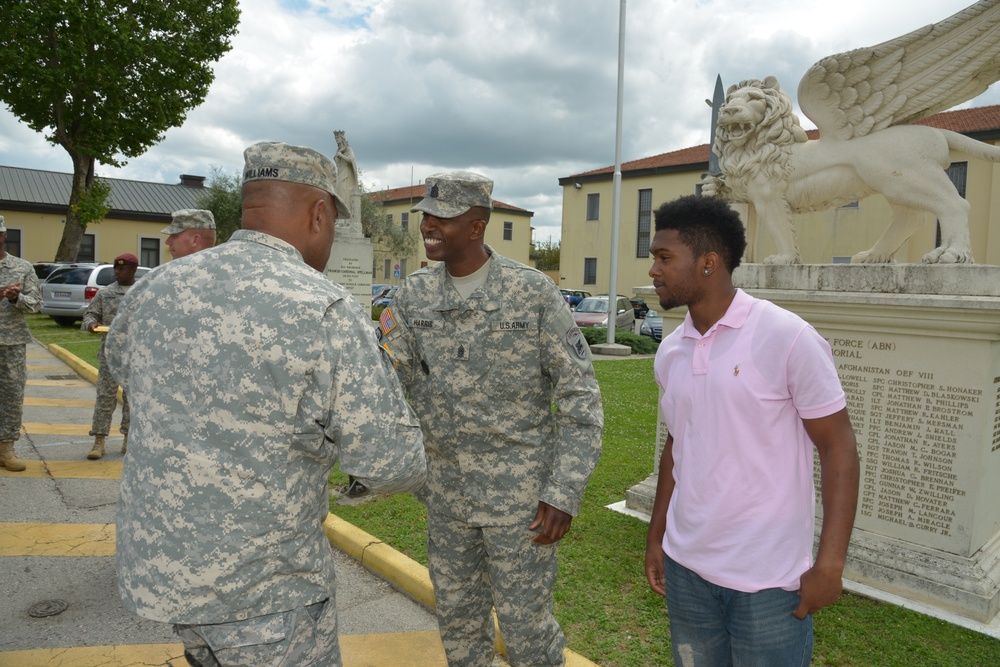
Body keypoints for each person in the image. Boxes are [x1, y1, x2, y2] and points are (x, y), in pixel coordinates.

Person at [105, 141, 426, 667]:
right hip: (267, 593)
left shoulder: (155, 288)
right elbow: (389, 461)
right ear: (320, 213)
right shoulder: (321, 306)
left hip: (166, 575)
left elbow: (124, 368)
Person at [379, 171, 603, 667]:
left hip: (521, 504)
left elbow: (580, 399)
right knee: (459, 630)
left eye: (444, 217)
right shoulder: (412, 296)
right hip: (446, 495)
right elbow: (384, 378)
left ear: (477, 225)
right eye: (426, 216)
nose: (428, 226)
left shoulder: (532, 293)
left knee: (527, 635)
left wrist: (563, 492)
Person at [642, 194, 860, 666]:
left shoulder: (787, 337)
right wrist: (657, 536)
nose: (653, 270)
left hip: (768, 582)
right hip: (687, 571)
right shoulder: (672, 349)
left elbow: (838, 448)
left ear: (708, 263)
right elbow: (677, 445)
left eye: (664, 257)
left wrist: (830, 564)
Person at [82, 253, 139, 459]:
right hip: (110, 353)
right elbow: (90, 314)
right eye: (116, 268)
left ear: (133, 270)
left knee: (131, 398)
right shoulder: (105, 293)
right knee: (105, 397)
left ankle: (128, 439)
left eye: (122, 269)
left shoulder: (142, 293)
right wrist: (91, 324)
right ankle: (99, 441)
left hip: (134, 355)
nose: (117, 271)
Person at [0, 216, 41, 472]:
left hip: (11, 342)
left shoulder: (22, 267)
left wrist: (16, 298)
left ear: (4, 235)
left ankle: (6, 449)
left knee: (12, 396)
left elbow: (36, 304)